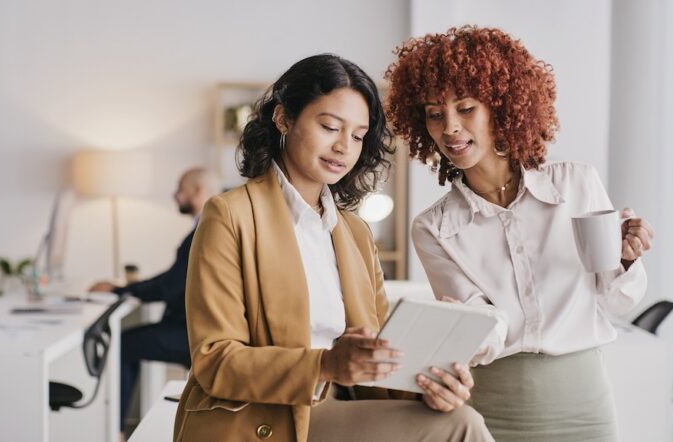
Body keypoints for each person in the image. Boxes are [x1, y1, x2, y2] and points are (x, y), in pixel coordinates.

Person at [173, 54, 493, 442]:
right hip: (265, 416)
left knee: (458, 416)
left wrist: (433, 384)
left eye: (358, 136)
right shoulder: (230, 215)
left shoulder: (355, 233)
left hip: (341, 406)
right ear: (283, 119)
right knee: (464, 429)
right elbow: (214, 361)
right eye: (329, 127)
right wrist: (324, 364)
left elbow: (379, 355)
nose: (344, 146)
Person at [385, 26, 655, 441]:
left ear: (501, 106)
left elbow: (616, 300)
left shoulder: (576, 185)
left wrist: (625, 260)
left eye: (466, 108)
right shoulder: (433, 228)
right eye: (435, 114)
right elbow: (480, 328)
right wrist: (440, 337)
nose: (450, 128)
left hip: (583, 401)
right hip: (492, 406)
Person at [88, 168, 221, 433]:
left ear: (197, 191)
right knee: (129, 341)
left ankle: (115, 431)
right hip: (199, 328)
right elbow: (173, 280)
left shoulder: (206, 229)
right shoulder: (208, 225)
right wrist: (127, 288)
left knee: (124, 344)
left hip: (194, 335)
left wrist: (120, 290)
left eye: (180, 188)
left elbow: (170, 287)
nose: (175, 195)